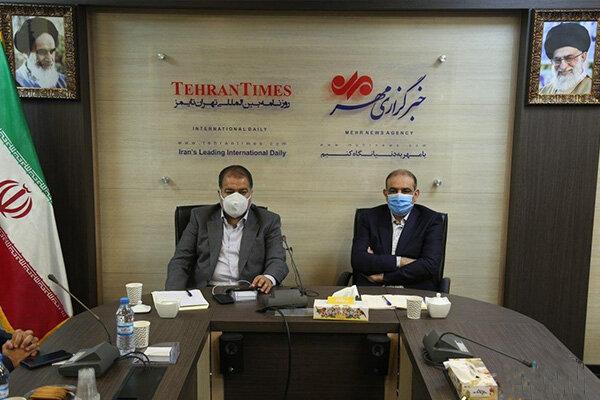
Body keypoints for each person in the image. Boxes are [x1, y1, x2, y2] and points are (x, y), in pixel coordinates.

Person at [165, 165, 288, 293]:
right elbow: (181, 260)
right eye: (229, 192)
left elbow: (277, 260)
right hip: (207, 292)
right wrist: (174, 295)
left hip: (249, 292)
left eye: (243, 192)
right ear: (220, 193)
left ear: (251, 194)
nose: (236, 199)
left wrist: (268, 278)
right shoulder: (200, 217)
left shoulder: (268, 220)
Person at [351, 169, 444, 290]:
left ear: (415, 195)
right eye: (393, 191)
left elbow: (430, 266)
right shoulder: (368, 217)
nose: (399, 195)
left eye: (406, 191)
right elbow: (358, 260)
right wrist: (401, 261)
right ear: (386, 194)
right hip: (373, 289)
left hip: (413, 290)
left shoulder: (431, 220)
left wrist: (384, 277)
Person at [13, 17, 67, 89]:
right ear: (25, 53)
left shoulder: (64, 82)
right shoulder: (13, 82)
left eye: (52, 51)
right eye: (42, 52)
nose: (50, 58)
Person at [540, 23, 592, 95]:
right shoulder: (543, 92)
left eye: (569, 58)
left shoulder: (592, 90)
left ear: (583, 57)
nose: (563, 67)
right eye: (557, 60)